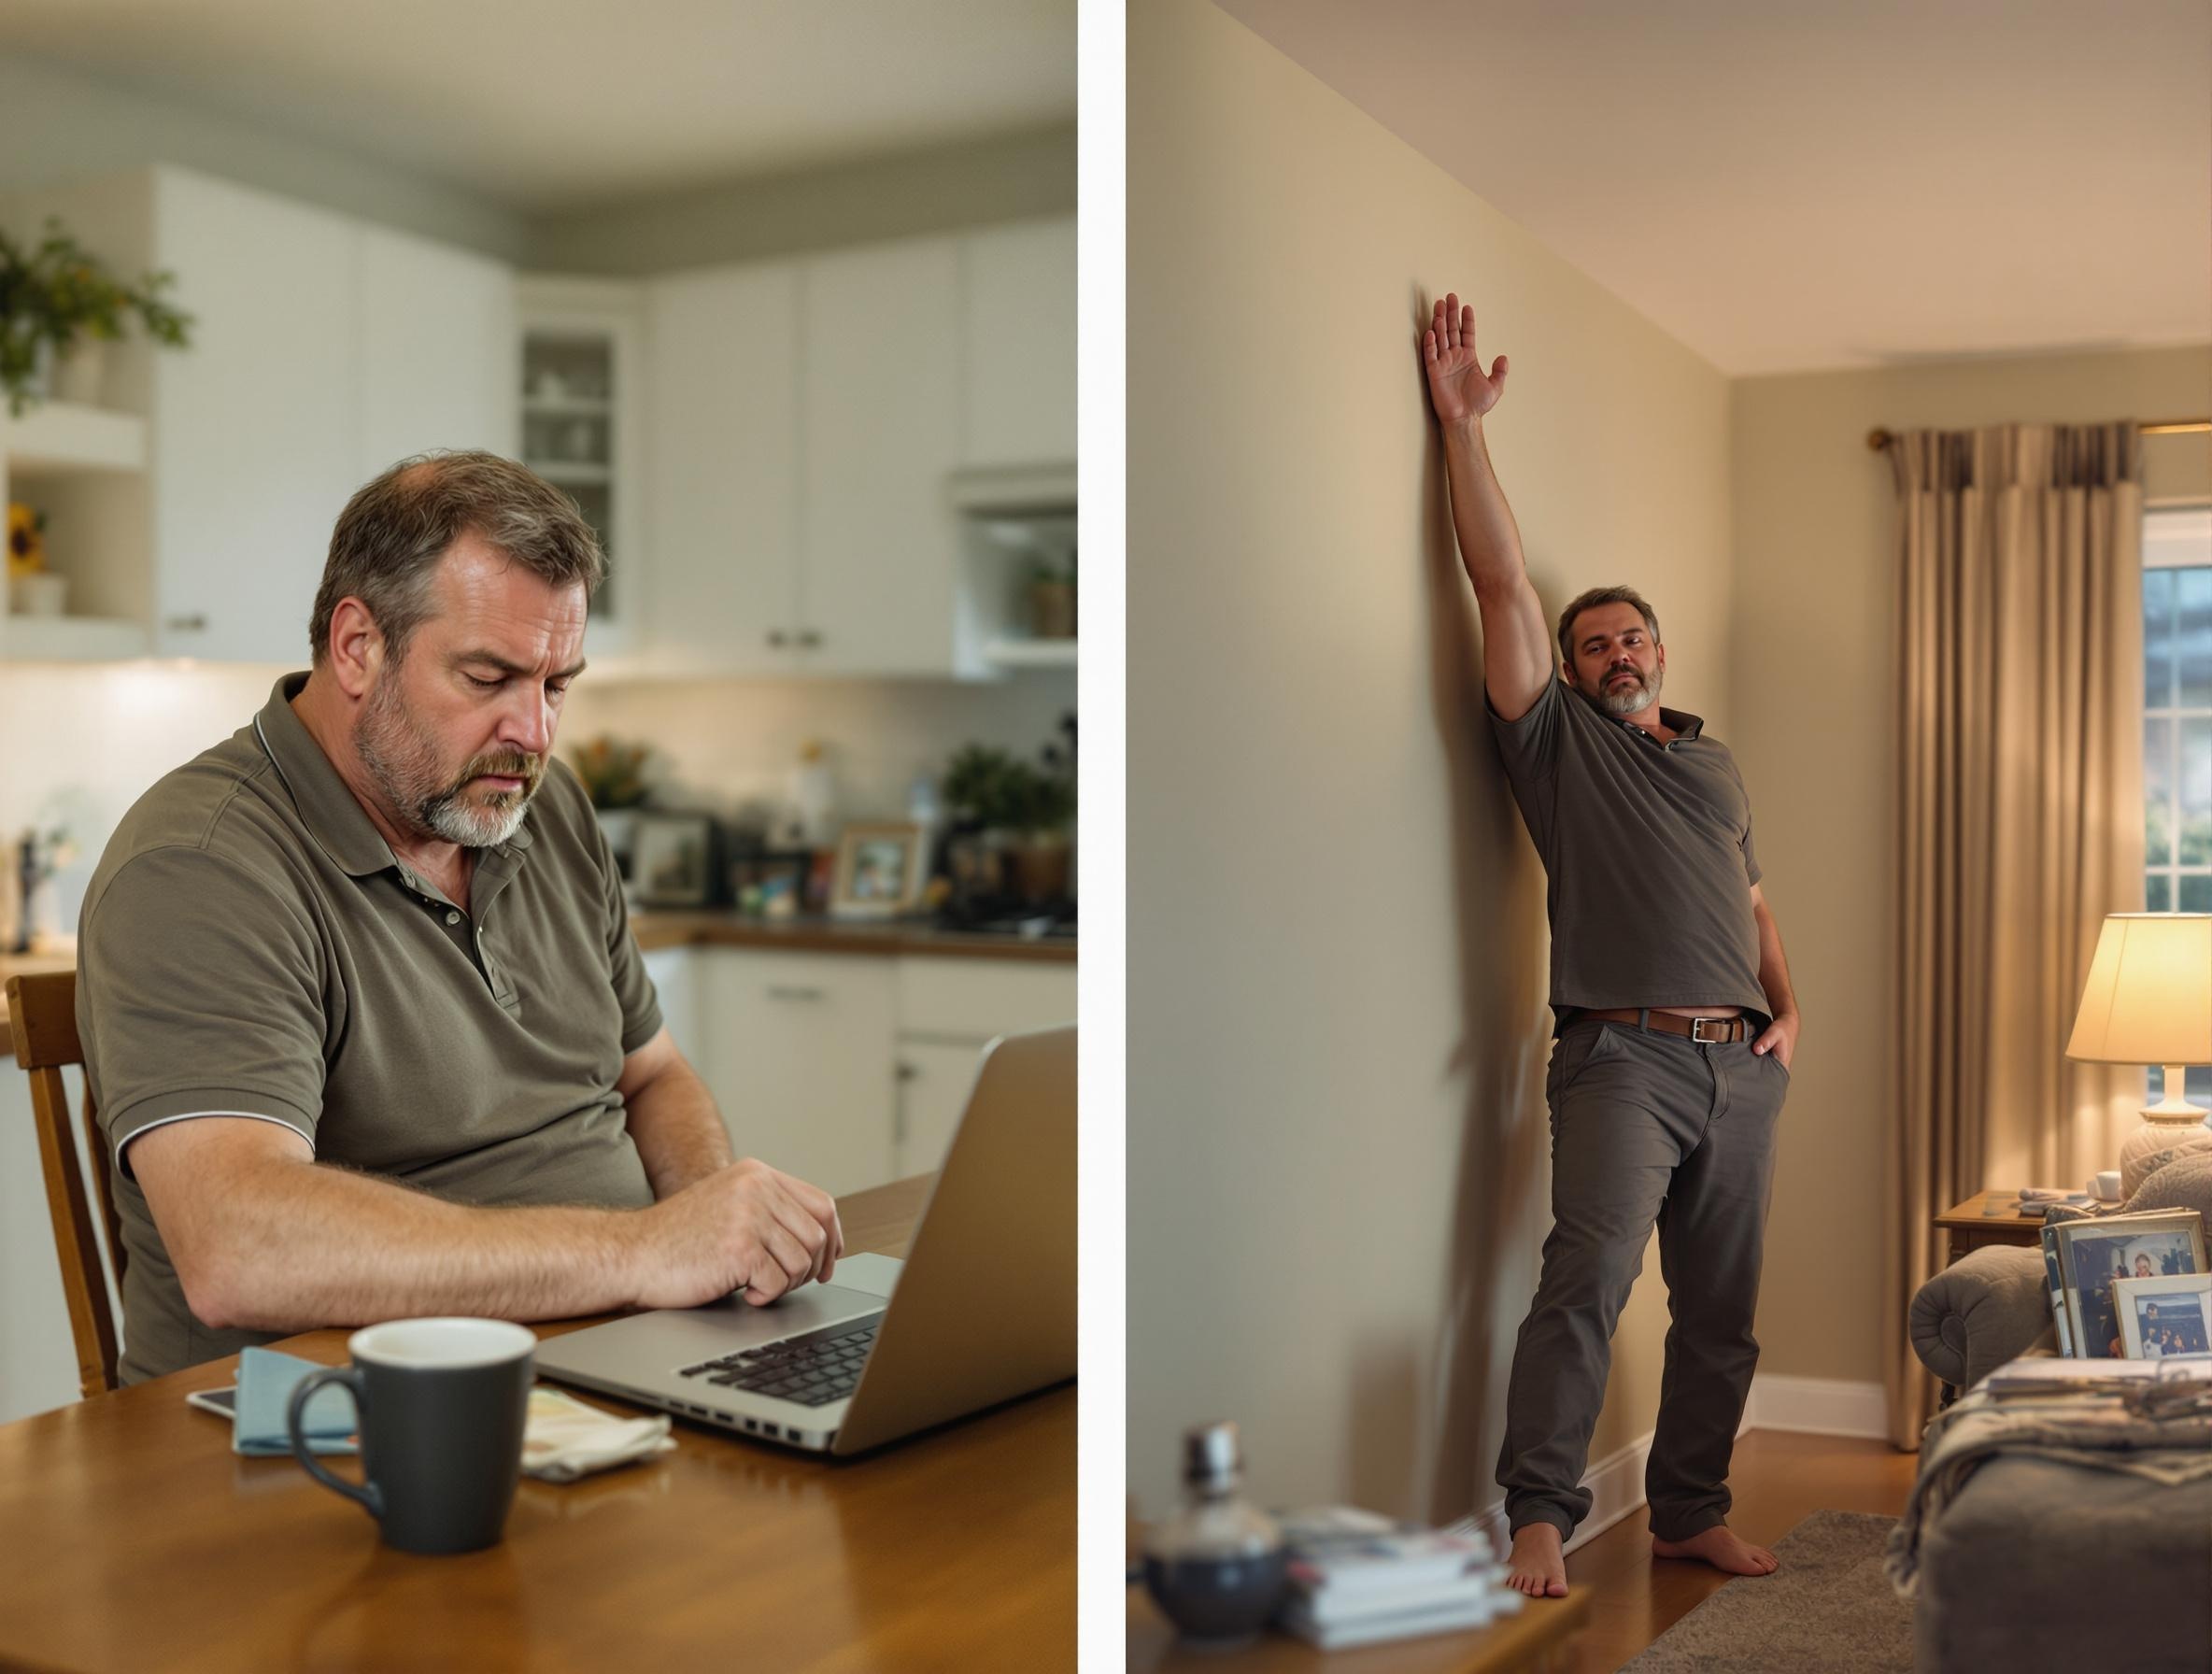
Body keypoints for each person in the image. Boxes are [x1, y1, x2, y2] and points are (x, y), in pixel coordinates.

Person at [78, 451, 844, 1383]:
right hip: (336, 1428)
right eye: (489, 678)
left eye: (556, 684)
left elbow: (654, 1076)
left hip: (610, 1360)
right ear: (358, 646)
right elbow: (238, 1248)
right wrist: (646, 1251)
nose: (534, 733)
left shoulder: (541, 807)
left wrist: (715, 1237)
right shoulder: (201, 863)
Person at [1421, 294, 1802, 1596]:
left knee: (1723, 1316)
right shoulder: (1559, 747)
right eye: (1596, 645)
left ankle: (1688, 1505)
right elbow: (1497, 581)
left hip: (1739, 1064)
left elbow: (1751, 904)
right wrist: (1464, 431)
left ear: (1660, 650)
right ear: (1573, 676)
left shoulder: (1715, 763)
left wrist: (1787, 1017)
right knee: (1584, 1278)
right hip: (1620, 1057)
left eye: (1632, 634)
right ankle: (1539, 1512)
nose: (1617, 650)